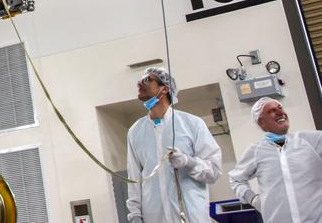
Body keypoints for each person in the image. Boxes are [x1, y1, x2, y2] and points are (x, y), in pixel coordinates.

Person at [126, 67, 222, 223]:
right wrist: (135, 214)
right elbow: (134, 177)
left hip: (192, 216)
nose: (140, 83)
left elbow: (214, 171)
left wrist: (188, 162)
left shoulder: (192, 124)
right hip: (155, 217)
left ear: (164, 89)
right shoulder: (136, 131)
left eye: (148, 79)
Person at [228, 97, 322, 221]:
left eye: (280, 108)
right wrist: (253, 199)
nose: (280, 112)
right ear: (261, 122)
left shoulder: (310, 140)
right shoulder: (256, 151)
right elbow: (236, 179)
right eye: (272, 111)